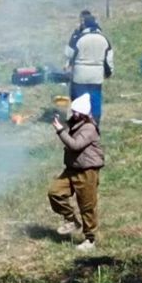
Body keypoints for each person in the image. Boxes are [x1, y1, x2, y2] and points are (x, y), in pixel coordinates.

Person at [48, 94, 105, 251]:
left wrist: (60, 131)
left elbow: (75, 145)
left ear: (84, 114)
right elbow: (67, 127)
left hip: (87, 171)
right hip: (72, 168)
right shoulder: (76, 122)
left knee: (87, 206)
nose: (73, 114)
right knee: (55, 192)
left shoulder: (89, 128)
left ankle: (90, 239)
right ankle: (72, 220)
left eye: (76, 112)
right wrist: (58, 119)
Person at [65, 13, 112, 125]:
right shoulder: (104, 39)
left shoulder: (80, 38)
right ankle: (95, 121)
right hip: (96, 76)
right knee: (95, 99)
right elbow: (108, 59)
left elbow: (69, 53)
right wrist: (109, 73)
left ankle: (79, 121)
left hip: (80, 76)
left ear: (84, 26)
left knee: (79, 99)